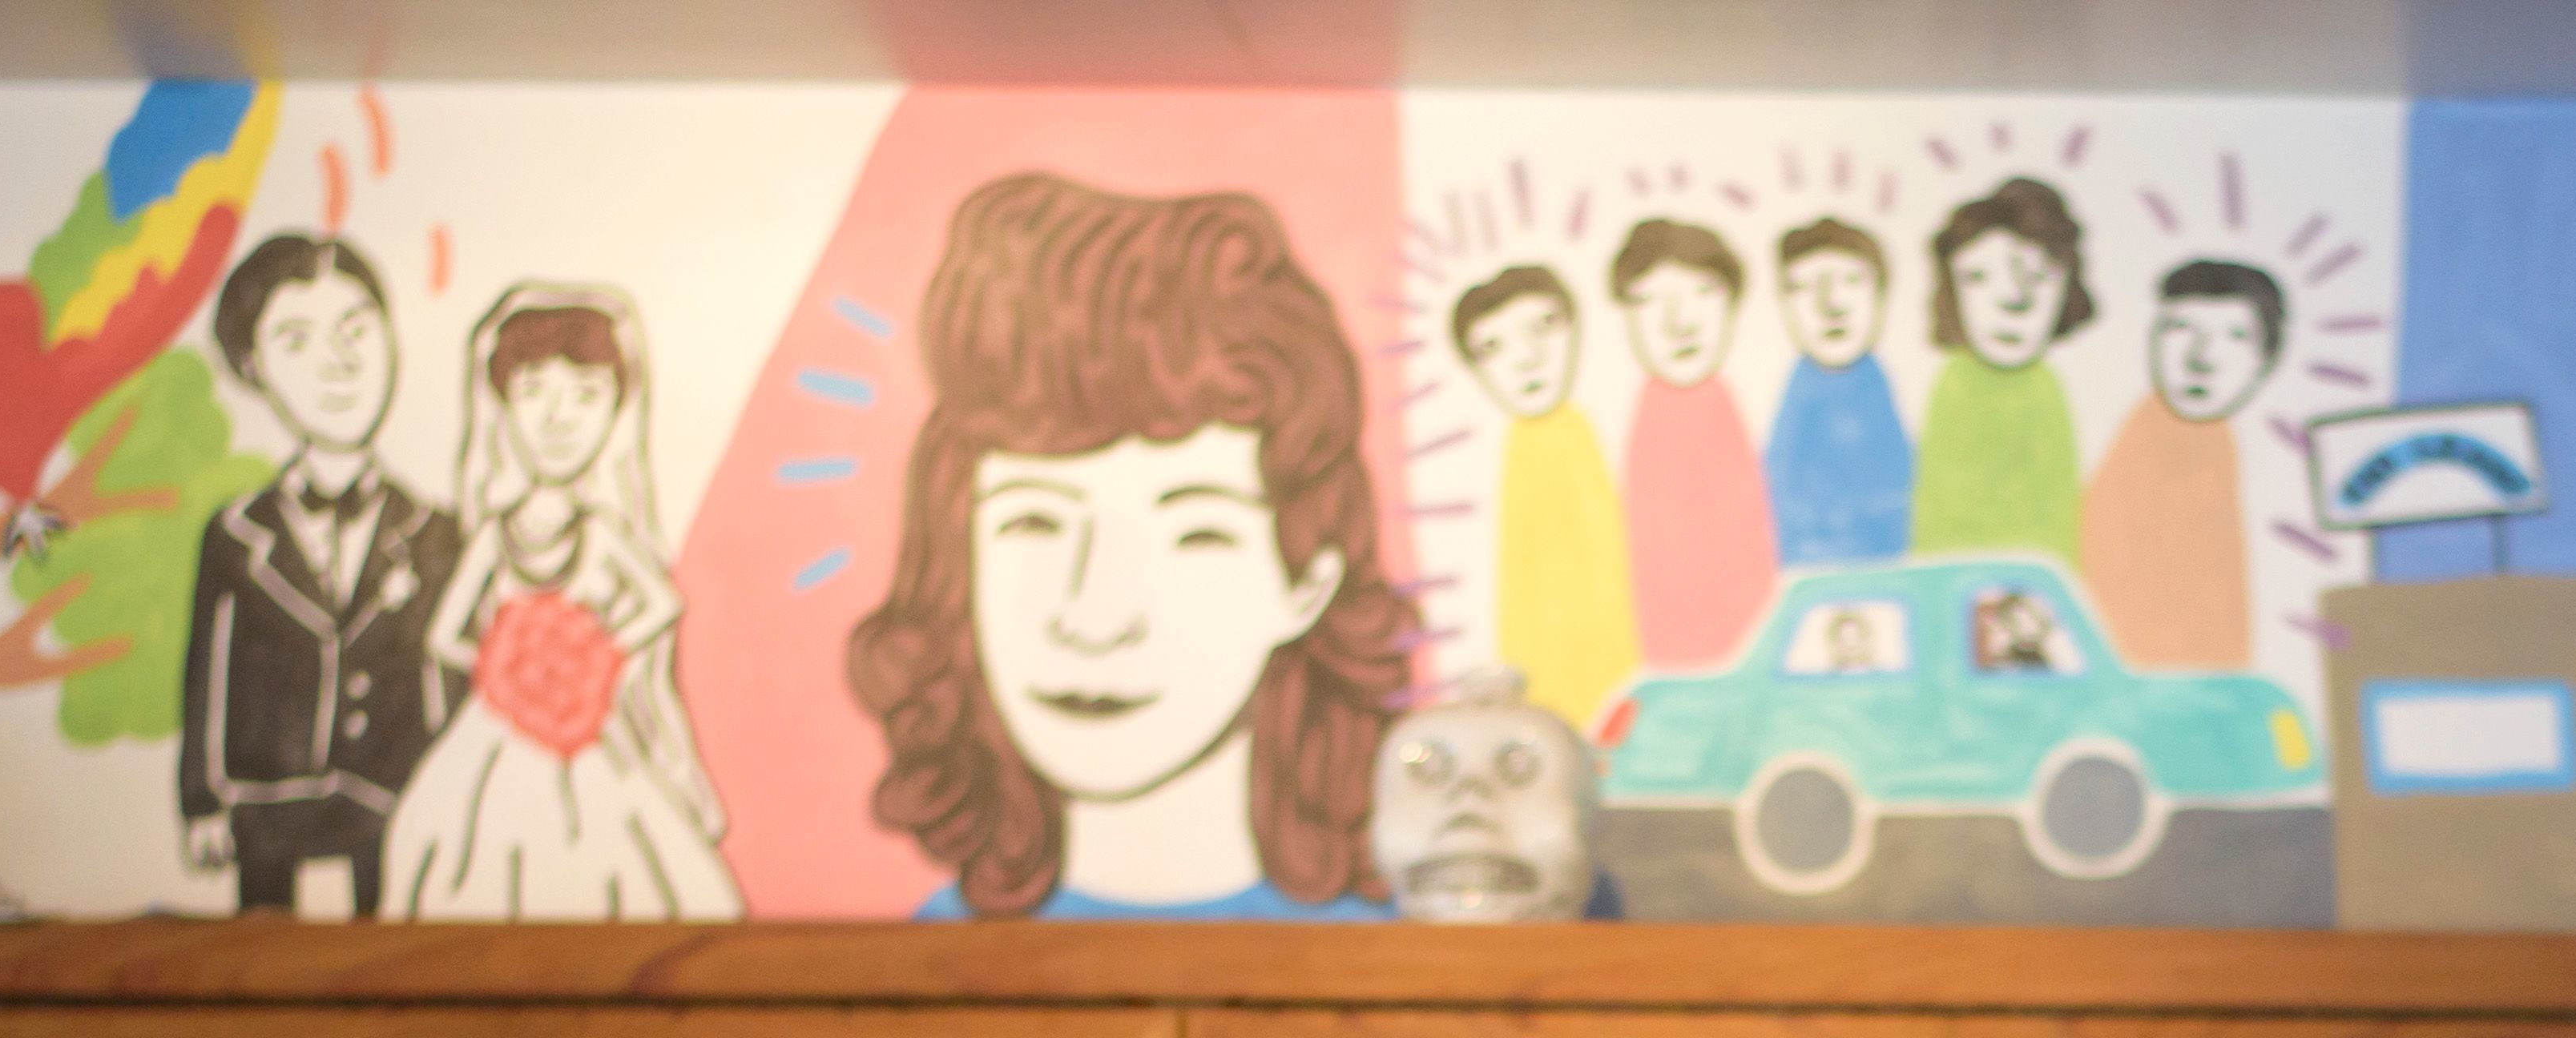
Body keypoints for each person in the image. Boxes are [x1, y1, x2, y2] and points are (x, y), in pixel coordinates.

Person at [855, 176, 1405, 920]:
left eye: (1196, 535)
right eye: (1036, 526)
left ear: (1307, 583)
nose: (1094, 616)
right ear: (959, 563)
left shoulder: (1381, 952)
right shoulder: (934, 950)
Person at [381, 284, 739, 921]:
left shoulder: (600, 530)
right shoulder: (496, 531)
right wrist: (506, 665)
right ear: (502, 404)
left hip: (589, 734)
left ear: (616, 408)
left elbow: (662, 603)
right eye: (533, 391)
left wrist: (593, 653)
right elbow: (443, 635)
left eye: (586, 395)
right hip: (499, 735)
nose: (558, 417)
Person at [179, 234, 458, 915]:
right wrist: (201, 801)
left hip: (392, 796)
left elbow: (450, 679)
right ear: (252, 366)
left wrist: (455, 794)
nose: (338, 365)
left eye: (357, 330)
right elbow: (207, 677)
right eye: (296, 342)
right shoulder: (235, 533)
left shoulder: (435, 532)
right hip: (267, 800)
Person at [1453, 260, 1643, 731]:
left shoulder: (1580, 440)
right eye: (1493, 347)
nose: (1528, 358)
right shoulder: (1519, 455)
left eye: (1545, 327)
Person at [2079, 255, 2282, 671]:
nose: (2201, 358)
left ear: (2264, 364)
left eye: (2234, 336)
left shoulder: (2216, 442)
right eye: (2181, 330)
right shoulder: (2147, 444)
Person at [1611, 219, 1777, 676]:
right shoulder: (1647, 427)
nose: (1677, 322)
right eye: (1648, 301)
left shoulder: (1735, 414)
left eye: (1702, 293)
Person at [1909, 176, 2094, 562]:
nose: (2014, 302)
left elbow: (2060, 528)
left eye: (2039, 278)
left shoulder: (2046, 391)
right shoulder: (1954, 385)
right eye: (1979, 278)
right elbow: (1935, 526)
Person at [1765, 217, 1915, 566]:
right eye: (1804, 286)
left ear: (1881, 294)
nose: (1831, 305)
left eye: (1852, 281)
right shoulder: (1797, 397)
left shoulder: (1878, 388)